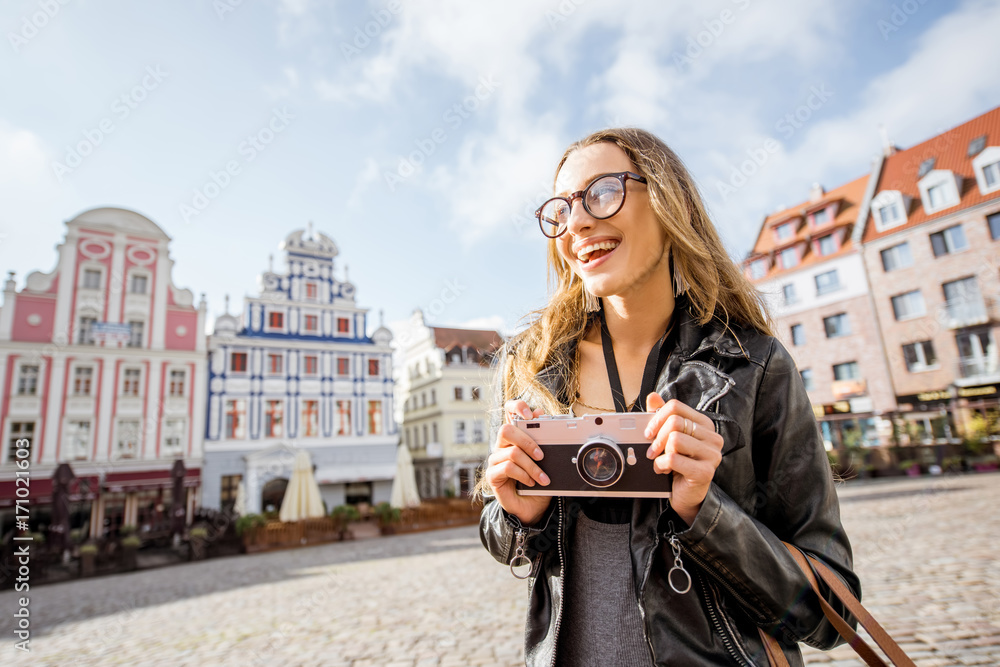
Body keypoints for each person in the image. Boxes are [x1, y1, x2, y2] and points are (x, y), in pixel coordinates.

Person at [478, 128, 860, 666]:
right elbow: (503, 537)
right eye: (561, 208)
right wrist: (520, 517)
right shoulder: (532, 367)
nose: (578, 221)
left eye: (602, 191)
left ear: (666, 201)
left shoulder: (754, 365)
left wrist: (706, 512)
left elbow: (830, 611)